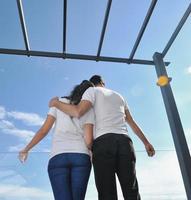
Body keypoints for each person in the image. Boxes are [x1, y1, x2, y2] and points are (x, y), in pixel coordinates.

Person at [49, 75, 155, 200]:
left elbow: (78, 111)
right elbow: (131, 122)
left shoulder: (91, 91)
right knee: (131, 190)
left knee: (107, 193)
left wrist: (56, 103)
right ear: (103, 83)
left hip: (103, 143)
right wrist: (146, 143)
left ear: (92, 84)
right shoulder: (119, 96)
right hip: (125, 142)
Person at [19, 80, 95, 200]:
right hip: (81, 156)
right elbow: (89, 140)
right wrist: (92, 154)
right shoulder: (89, 109)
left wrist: (26, 149)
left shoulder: (59, 103)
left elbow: (44, 130)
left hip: (58, 156)